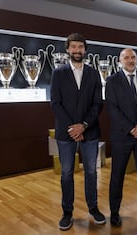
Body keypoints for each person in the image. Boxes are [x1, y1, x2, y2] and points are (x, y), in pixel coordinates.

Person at [50, 33, 105, 231]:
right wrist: (73, 128)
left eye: (80, 47)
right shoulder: (58, 73)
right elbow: (55, 103)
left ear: (85, 50)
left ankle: (93, 208)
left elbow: (98, 103)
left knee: (91, 172)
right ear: (68, 49)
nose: (77, 50)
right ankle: (67, 212)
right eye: (73, 47)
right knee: (66, 173)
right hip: (66, 134)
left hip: (89, 132)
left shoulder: (93, 73)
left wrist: (83, 125)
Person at [105, 48, 137, 227]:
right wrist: (130, 128)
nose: (130, 60)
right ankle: (114, 212)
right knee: (117, 175)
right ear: (120, 61)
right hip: (122, 136)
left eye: (132, 57)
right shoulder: (112, 81)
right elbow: (112, 108)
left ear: (136, 59)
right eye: (126, 57)